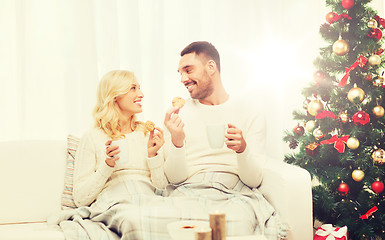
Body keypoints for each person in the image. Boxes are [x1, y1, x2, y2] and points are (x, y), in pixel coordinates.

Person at [162, 41, 283, 238]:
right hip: (188, 190)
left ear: (211, 67)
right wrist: (177, 141)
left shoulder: (250, 110)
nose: (183, 79)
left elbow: (254, 180)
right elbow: (175, 179)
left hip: (234, 192)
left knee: (237, 224)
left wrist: (242, 150)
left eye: (188, 70)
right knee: (169, 223)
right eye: (180, 73)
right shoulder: (178, 113)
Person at [73, 70, 168, 207]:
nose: (141, 94)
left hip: (149, 202)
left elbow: (162, 189)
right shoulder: (92, 137)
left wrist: (153, 156)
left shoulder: (148, 135)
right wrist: (107, 165)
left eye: (139, 88)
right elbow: (80, 199)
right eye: (133, 88)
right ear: (115, 95)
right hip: (115, 204)